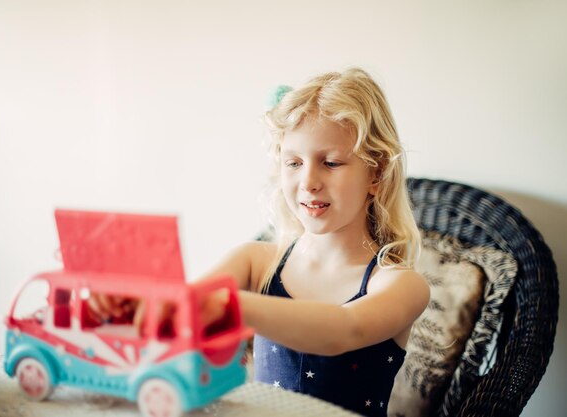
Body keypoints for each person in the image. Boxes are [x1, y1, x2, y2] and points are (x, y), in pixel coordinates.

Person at [90, 67, 430, 417]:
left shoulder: (401, 284)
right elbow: (184, 311)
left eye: (330, 162)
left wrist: (233, 308)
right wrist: (128, 308)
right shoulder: (256, 262)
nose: (308, 181)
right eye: (293, 162)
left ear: (376, 174)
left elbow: (343, 330)